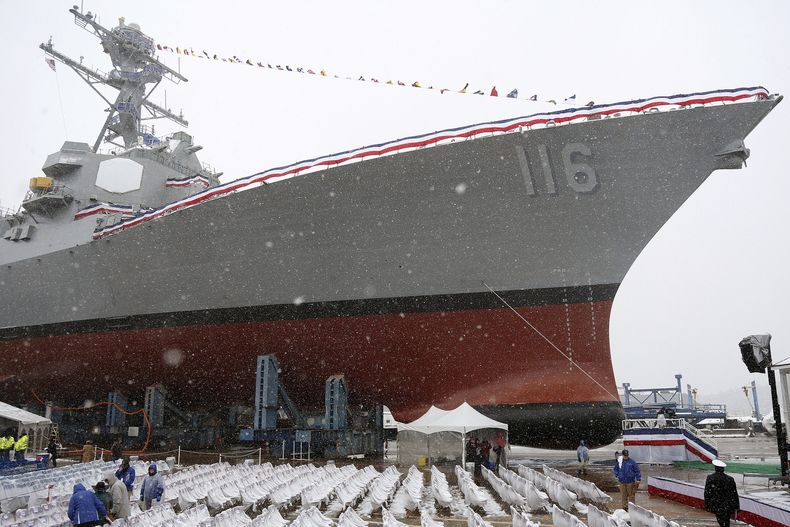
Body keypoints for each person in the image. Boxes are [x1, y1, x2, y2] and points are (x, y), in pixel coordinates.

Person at [704, 459, 740, 527]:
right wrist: (737, 507)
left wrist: (707, 504)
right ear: (723, 469)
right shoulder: (730, 479)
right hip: (728, 505)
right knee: (727, 521)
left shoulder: (710, 478)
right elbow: (734, 494)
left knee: (720, 520)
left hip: (716, 504)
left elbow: (707, 492)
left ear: (715, 468)